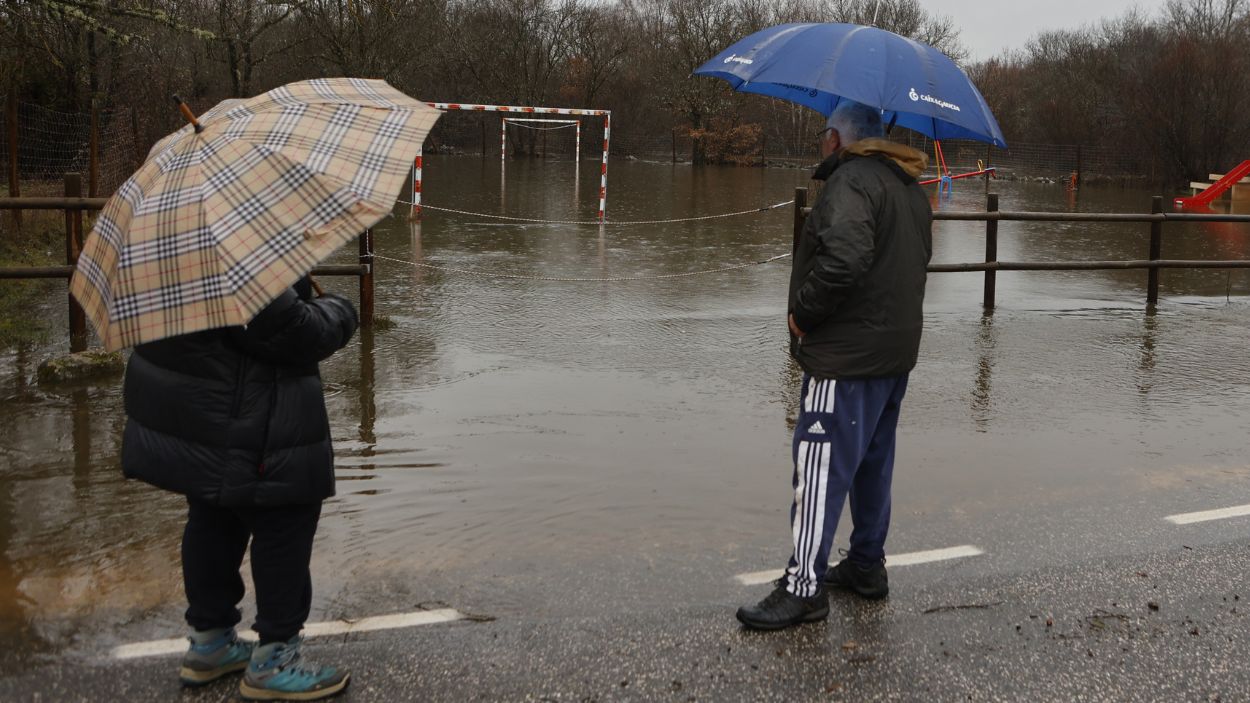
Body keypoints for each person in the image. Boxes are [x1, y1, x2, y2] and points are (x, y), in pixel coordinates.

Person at [737, 101, 932, 630]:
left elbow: (844, 260)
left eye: (826, 133)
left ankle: (804, 587)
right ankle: (867, 565)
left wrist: (803, 315)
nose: (823, 142)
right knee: (873, 462)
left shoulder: (850, 184)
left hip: (845, 357)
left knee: (820, 465)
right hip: (894, 354)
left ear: (838, 138)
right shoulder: (909, 188)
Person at [121, 275, 358, 699]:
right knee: (285, 523)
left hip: (206, 418)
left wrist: (295, 284)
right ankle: (275, 661)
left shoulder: (171, 251)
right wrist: (340, 310)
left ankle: (210, 644)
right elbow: (294, 332)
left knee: (214, 516)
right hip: (256, 419)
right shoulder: (242, 258)